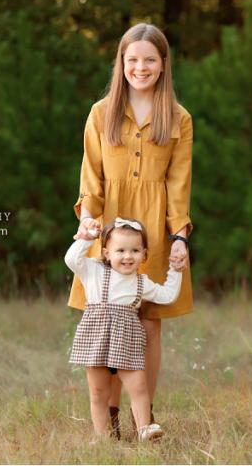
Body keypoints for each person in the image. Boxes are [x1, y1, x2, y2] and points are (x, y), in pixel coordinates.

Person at [69, 23, 193, 438]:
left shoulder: (178, 118)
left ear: (163, 65)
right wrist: (89, 217)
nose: (141, 67)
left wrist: (179, 236)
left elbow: (179, 183)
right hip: (110, 230)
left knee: (148, 322)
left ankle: (146, 418)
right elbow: (92, 176)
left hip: (154, 229)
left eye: (150, 60)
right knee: (106, 315)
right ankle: (110, 415)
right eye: (132, 59)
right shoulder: (101, 112)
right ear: (121, 62)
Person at [66, 217, 182, 441]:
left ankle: (144, 428)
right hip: (97, 338)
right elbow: (71, 259)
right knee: (99, 392)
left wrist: (176, 270)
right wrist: (87, 238)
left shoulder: (142, 282)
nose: (128, 256)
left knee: (138, 387)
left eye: (135, 250)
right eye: (120, 250)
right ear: (106, 253)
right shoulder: (94, 270)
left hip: (126, 340)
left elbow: (168, 295)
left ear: (144, 254)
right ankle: (102, 436)